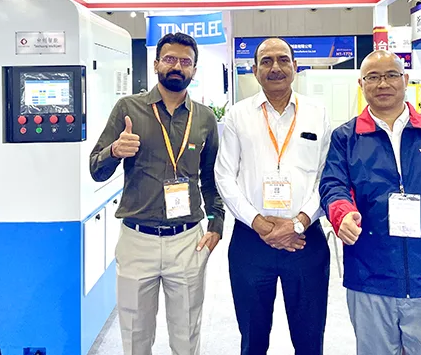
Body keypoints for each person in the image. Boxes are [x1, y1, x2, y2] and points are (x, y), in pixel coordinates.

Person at [319, 50, 421, 355]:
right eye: (373, 77)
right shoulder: (346, 138)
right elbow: (333, 185)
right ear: (361, 84)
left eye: (391, 75)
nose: (383, 83)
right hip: (371, 276)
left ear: (405, 79)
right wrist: (342, 214)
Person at [90, 32, 225, 355]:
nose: (177, 66)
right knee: (135, 337)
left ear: (194, 69)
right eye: (170, 59)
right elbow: (96, 169)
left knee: (186, 336)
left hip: (187, 240)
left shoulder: (205, 118)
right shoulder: (129, 109)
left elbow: (210, 178)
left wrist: (216, 224)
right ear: (156, 64)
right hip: (138, 239)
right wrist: (114, 150)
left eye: (185, 61)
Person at [215, 37, 332, 355]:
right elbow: (224, 175)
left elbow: (326, 176)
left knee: (309, 339)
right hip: (251, 240)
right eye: (266, 61)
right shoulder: (237, 115)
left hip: (305, 240)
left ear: (296, 66)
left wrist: (298, 223)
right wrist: (260, 224)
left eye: (283, 60)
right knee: (252, 339)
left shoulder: (317, 113)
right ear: (254, 70)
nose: (275, 67)